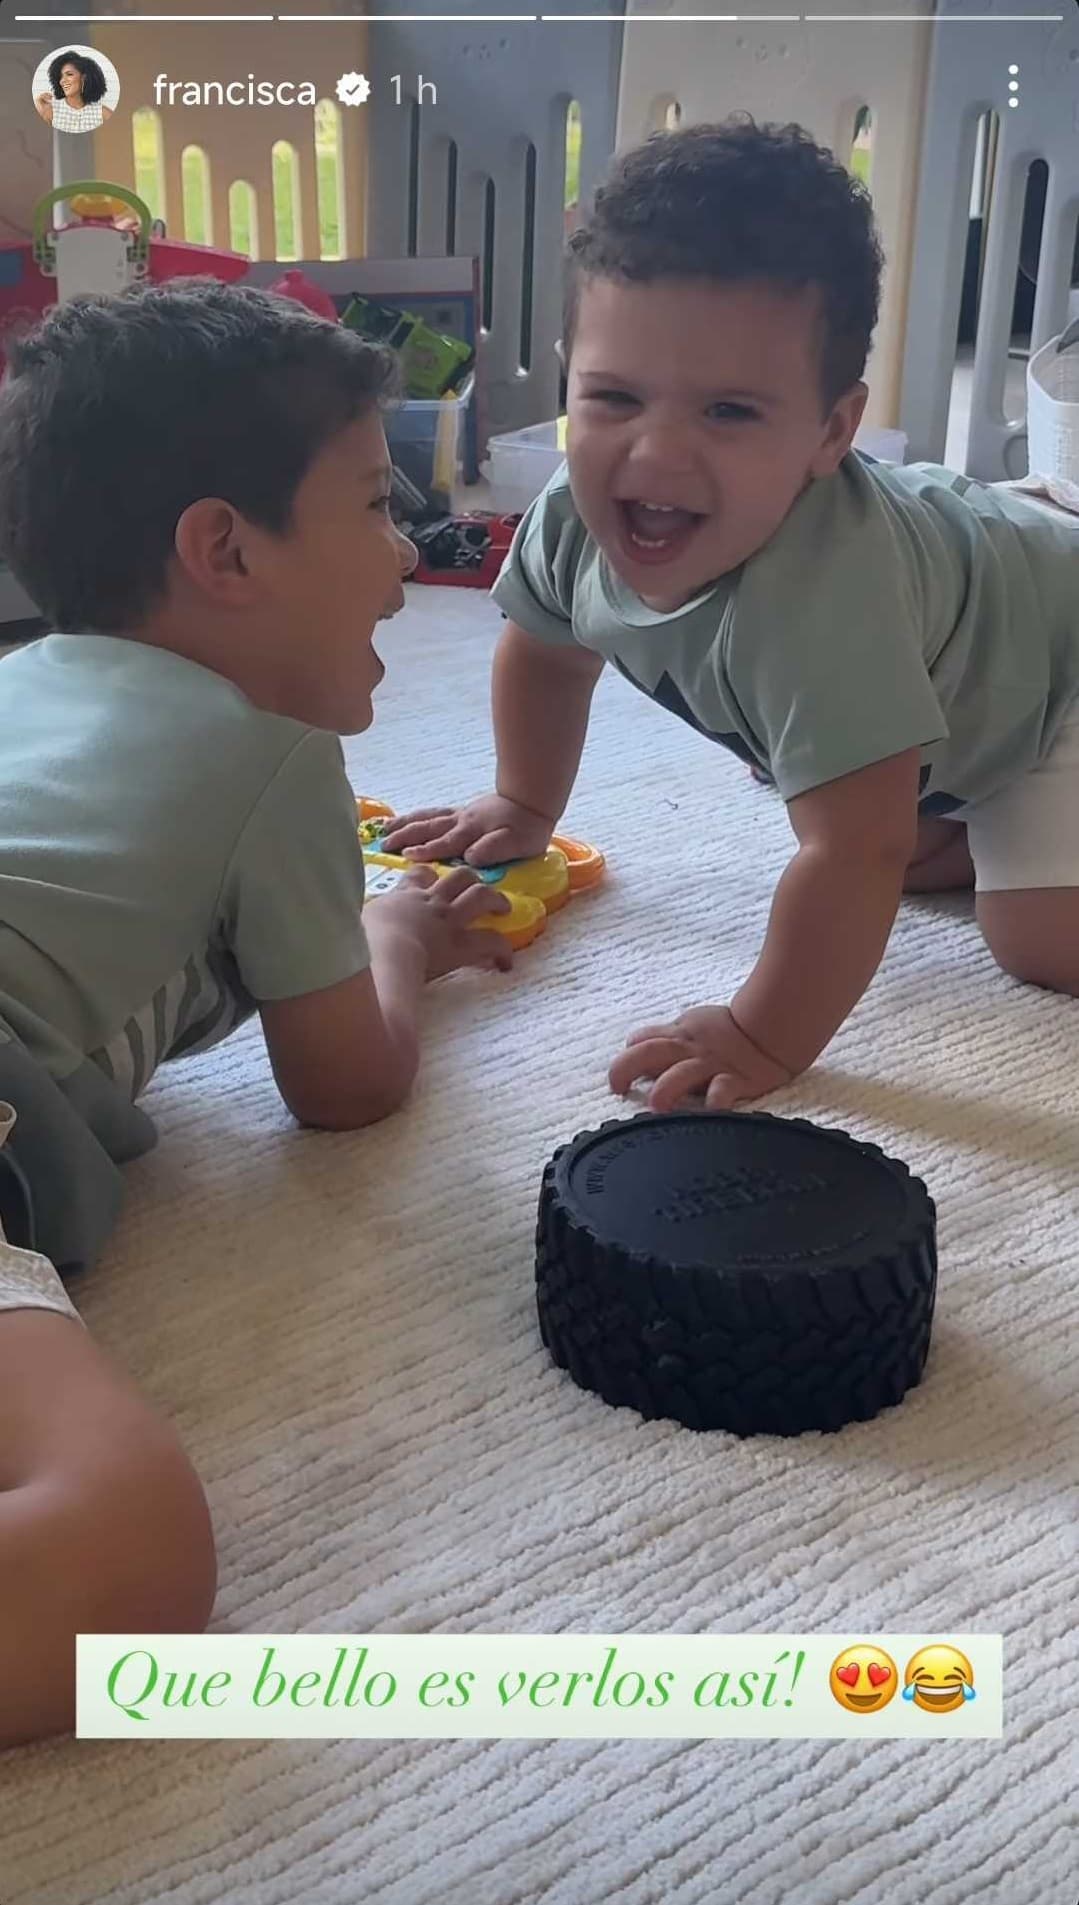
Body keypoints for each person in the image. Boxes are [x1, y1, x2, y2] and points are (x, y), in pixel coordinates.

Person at [0, 279, 512, 1748]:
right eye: (374, 503)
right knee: (121, 1548)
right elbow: (345, 1084)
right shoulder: (273, 756)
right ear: (224, 548)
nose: (407, 552)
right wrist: (392, 933)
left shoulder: (26, 684)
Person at [382, 115, 1079, 1114]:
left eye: (728, 411)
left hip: (1057, 673)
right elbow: (545, 657)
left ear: (832, 431)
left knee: (1027, 931)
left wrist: (761, 1033)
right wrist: (522, 805)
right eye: (613, 399)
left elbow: (854, 853)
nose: (655, 455)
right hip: (971, 668)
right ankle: (962, 820)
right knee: (874, 815)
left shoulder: (827, 605)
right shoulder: (568, 517)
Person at [36, 50, 115, 133]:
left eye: (69, 74)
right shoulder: (51, 111)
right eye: (60, 76)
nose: (62, 81)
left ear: (83, 78)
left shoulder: (102, 113)